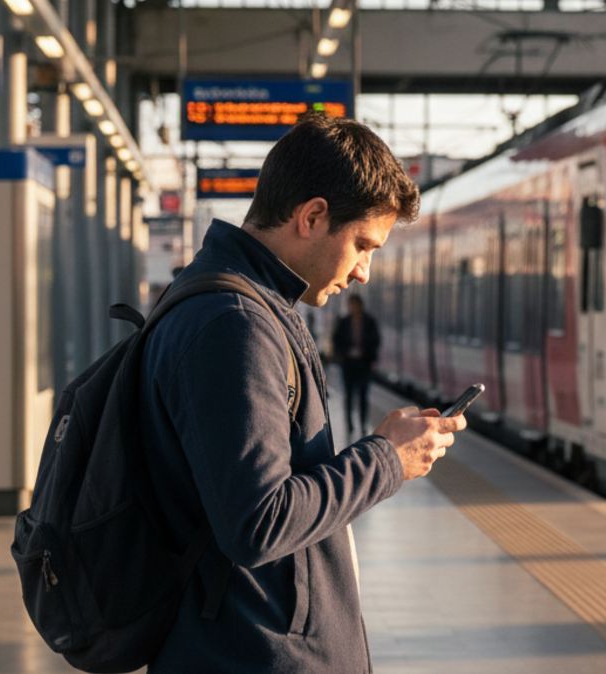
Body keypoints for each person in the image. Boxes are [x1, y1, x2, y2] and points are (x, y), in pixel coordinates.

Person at [139, 114, 467, 672]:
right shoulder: (234, 324)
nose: (364, 271)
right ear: (313, 217)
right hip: (251, 652)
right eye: (363, 244)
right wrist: (387, 459)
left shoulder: (246, 305)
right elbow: (259, 522)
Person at [333, 295, 380, 439]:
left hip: (364, 364)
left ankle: (363, 423)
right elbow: (336, 340)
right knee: (348, 396)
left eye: (354, 304)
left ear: (360, 305)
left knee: (363, 396)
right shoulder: (343, 322)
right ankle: (349, 425)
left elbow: (376, 340)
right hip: (348, 364)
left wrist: (370, 357)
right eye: (350, 305)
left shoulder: (370, 321)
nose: (352, 307)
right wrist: (342, 355)